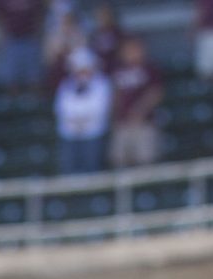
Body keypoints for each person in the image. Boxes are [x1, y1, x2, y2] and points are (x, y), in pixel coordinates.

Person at [55, 50, 113, 176]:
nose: (82, 73)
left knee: (92, 168)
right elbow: (62, 108)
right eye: (78, 69)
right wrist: (75, 121)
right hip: (70, 133)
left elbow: (100, 108)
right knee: (69, 169)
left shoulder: (102, 83)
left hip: (93, 132)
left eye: (85, 69)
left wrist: (83, 120)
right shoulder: (66, 85)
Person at [108, 38, 165, 168]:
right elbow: (115, 95)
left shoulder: (149, 69)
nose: (132, 53)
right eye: (128, 50)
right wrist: (115, 115)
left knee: (145, 160)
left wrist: (140, 111)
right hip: (123, 123)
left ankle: (147, 188)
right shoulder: (118, 71)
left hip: (144, 122)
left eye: (135, 49)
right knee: (120, 160)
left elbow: (156, 93)